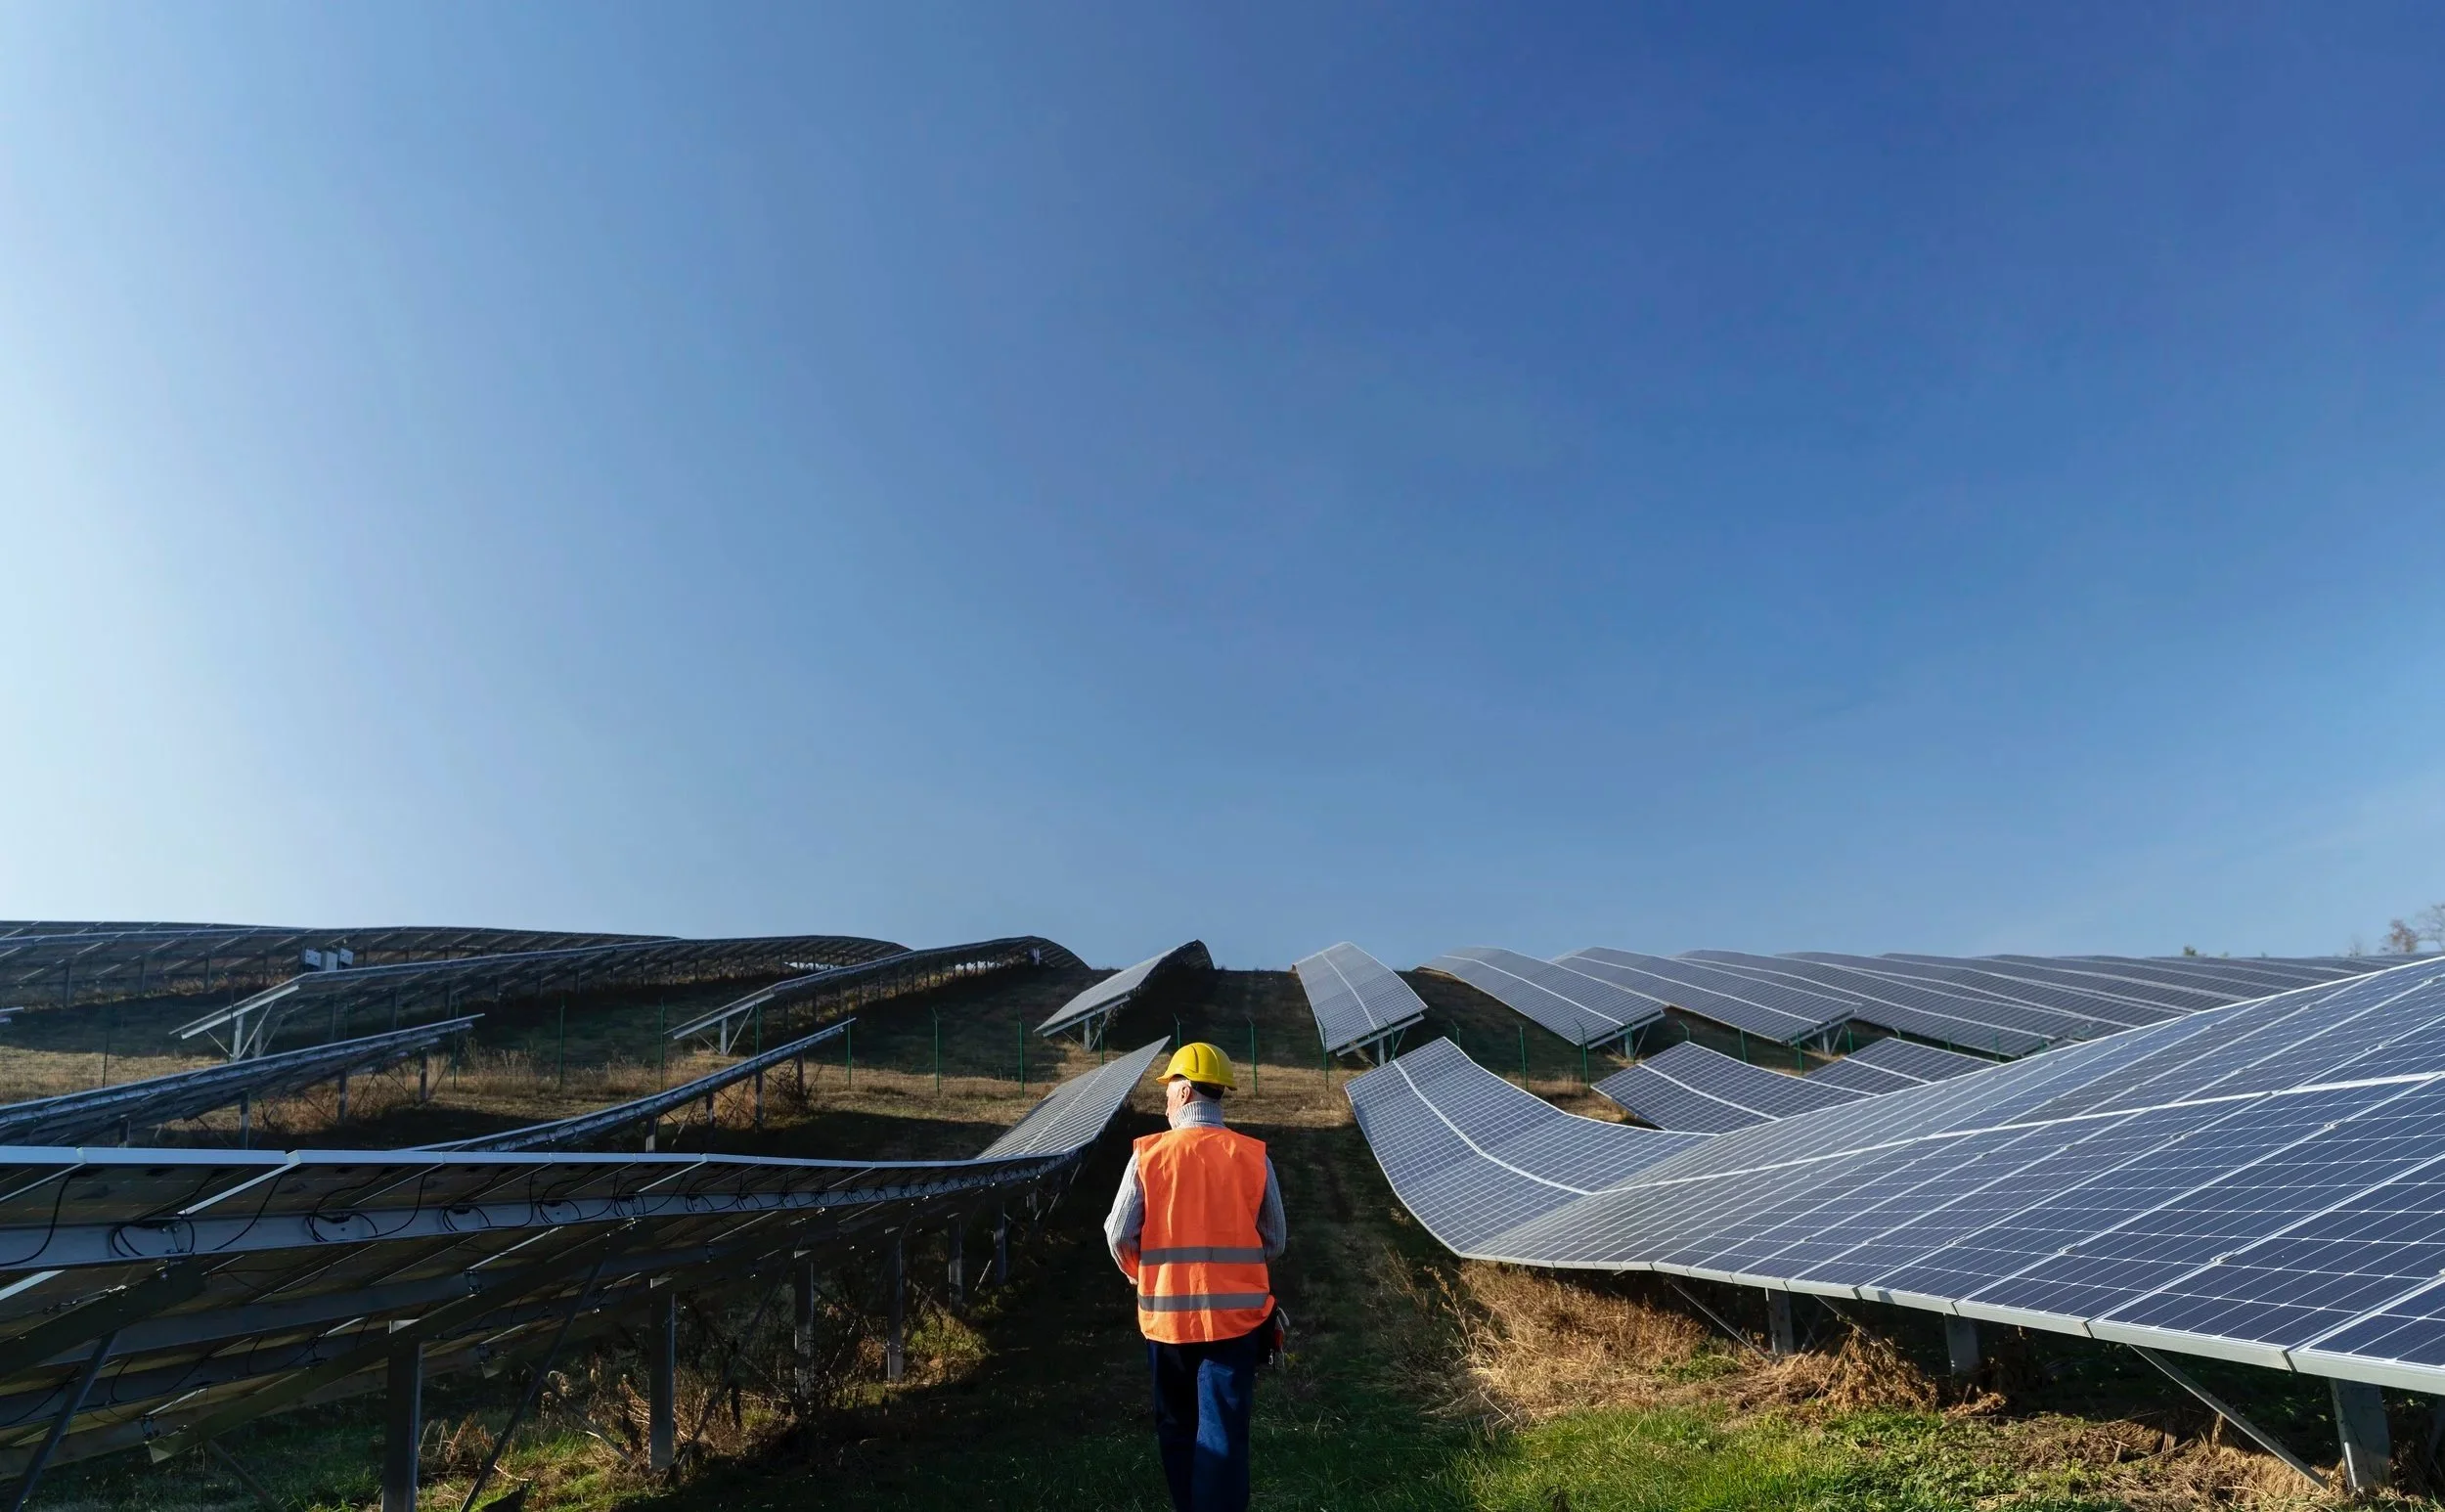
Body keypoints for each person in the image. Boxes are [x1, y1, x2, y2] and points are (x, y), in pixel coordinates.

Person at [1105, 1042, 1286, 1512]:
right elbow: (1275, 1239)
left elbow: (1118, 1232)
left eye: (1168, 1090)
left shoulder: (1149, 1155)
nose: (1165, 1100)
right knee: (1224, 1432)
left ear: (1184, 1093)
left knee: (1177, 1428)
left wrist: (1140, 1275)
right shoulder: (1252, 1156)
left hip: (1166, 1323)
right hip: (1237, 1323)